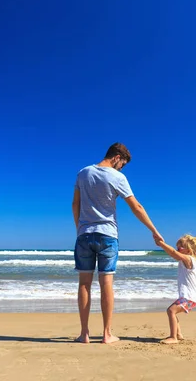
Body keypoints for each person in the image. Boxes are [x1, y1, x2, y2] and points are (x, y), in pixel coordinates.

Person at [72, 142, 163, 344]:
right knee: (106, 285)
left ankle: (84, 333)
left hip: (84, 234)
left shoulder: (83, 173)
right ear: (117, 157)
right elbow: (136, 207)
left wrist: (80, 228)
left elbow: (75, 204)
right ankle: (106, 334)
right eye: (122, 164)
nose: (121, 168)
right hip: (107, 235)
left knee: (84, 285)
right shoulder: (117, 177)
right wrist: (154, 230)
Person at [154, 234, 196, 344]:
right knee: (173, 311)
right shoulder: (184, 260)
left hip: (189, 297)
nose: (177, 249)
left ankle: (173, 337)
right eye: (177, 247)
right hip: (188, 297)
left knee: (171, 310)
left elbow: (173, 253)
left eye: (180, 247)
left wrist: (161, 244)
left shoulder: (189, 259)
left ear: (188, 250)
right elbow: (174, 255)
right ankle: (178, 334)